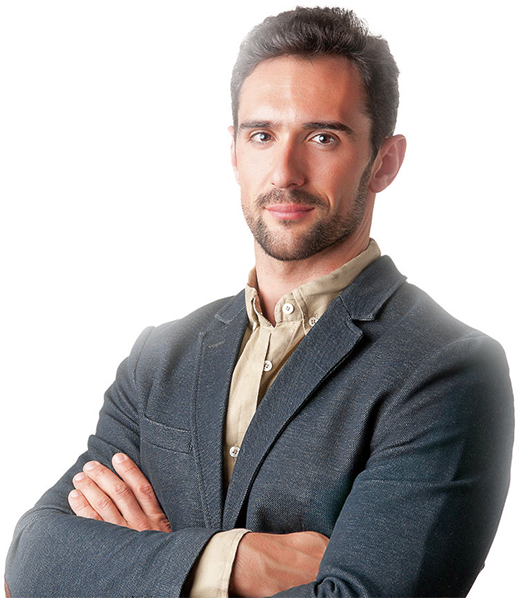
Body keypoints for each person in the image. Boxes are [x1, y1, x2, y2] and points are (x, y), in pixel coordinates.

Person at [4, 6, 514, 598]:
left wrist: (135, 568)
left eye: (323, 137)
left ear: (385, 162)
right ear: (234, 151)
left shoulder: (445, 369)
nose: (285, 172)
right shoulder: (160, 358)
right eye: (262, 135)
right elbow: (28, 563)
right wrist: (232, 561)